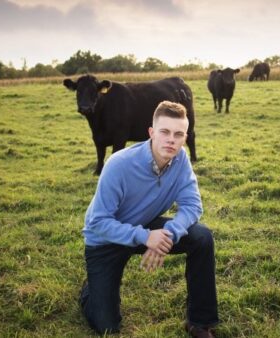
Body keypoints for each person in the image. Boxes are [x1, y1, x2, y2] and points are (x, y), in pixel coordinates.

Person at [79, 101, 218, 337]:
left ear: (185, 137)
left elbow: (192, 205)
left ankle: (199, 322)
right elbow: (98, 222)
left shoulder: (180, 159)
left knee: (201, 237)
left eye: (178, 134)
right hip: (106, 239)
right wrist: (145, 237)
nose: (171, 140)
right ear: (151, 133)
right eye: (164, 132)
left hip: (146, 226)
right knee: (106, 326)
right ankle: (90, 289)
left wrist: (168, 234)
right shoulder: (118, 164)